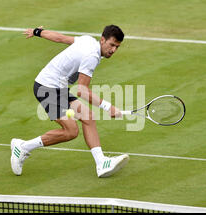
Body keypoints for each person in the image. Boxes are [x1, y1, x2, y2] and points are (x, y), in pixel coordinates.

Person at [11, 25, 129, 178]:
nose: (113, 50)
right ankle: (23, 147)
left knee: (88, 117)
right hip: (46, 87)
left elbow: (60, 38)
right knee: (71, 131)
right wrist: (108, 107)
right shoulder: (92, 56)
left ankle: (101, 163)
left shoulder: (88, 40)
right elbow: (82, 90)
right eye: (111, 45)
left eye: (117, 47)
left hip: (59, 87)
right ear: (102, 40)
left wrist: (37, 32)